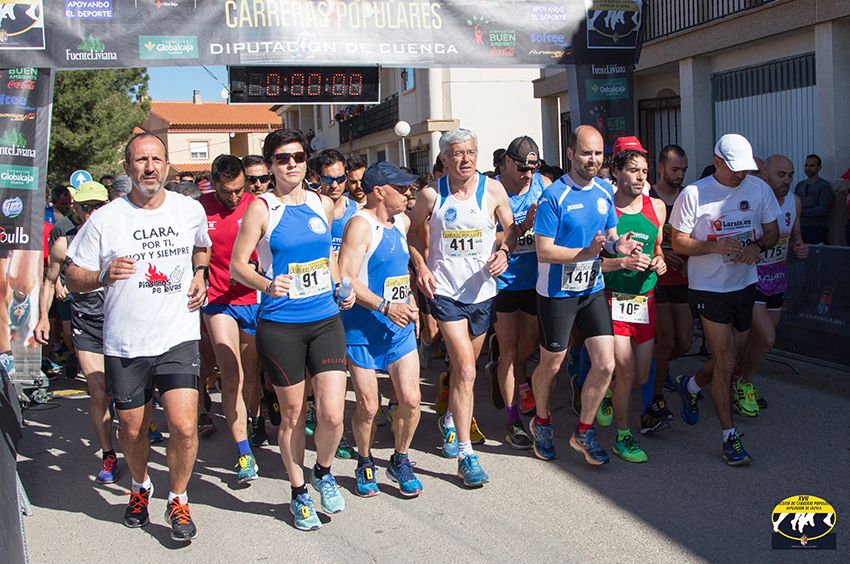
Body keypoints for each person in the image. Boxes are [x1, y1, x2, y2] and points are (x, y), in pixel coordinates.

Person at [65, 133, 211, 541]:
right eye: (141, 160)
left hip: (178, 335)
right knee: (132, 429)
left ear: (167, 165)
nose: (150, 167)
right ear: (128, 168)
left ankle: (178, 499)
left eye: (157, 159)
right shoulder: (105, 219)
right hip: (126, 343)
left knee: (183, 426)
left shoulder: (189, 210)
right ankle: (140, 487)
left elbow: (203, 249)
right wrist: (101, 275)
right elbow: (72, 276)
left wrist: (200, 273)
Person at [230, 129, 355, 531]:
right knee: (294, 414)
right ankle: (299, 491)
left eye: (298, 157)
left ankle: (322, 469)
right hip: (281, 324)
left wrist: (340, 285)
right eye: (282, 158)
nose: (292, 165)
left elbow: (328, 256)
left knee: (333, 415)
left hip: (324, 319)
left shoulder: (324, 204)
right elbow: (238, 266)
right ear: (269, 165)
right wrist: (267, 284)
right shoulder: (262, 208)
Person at [408, 127, 518, 487]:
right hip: (446, 292)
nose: (465, 159)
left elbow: (511, 227)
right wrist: (422, 265)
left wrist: (503, 251)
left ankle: (451, 419)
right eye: (457, 153)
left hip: (482, 293)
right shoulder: (430, 195)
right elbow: (412, 236)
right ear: (444, 159)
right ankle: (466, 455)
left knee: (462, 369)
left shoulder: (493, 189)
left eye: (470, 152)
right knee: (468, 370)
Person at [527, 125, 640, 465]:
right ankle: (542, 422)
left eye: (598, 154)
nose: (593, 160)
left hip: (591, 288)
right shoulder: (553, 196)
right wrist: (585, 253)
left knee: (606, 364)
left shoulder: (605, 191)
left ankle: (584, 431)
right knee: (553, 364)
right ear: (570, 154)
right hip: (557, 293)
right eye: (587, 153)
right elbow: (544, 251)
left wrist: (621, 245)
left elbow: (610, 237)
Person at [670, 133, 780, 466]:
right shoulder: (694, 194)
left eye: (746, 169)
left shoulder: (758, 189)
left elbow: (772, 231)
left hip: (744, 284)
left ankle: (691, 385)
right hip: (709, 289)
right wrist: (713, 246)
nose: (741, 175)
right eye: (735, 169)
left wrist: (755, 248)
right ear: (717, 162)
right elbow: (678, 243)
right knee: (726, 359)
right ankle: (729, 438)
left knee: (735, 356)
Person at [338, 161, 424, 497]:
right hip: (363, 329)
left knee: (412, 399)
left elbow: (398, 273)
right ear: (379, 192)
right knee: (369, 406)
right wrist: (386, 306)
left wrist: (412, 301)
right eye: (400, 188)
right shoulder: (360, 225)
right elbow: (347, 278)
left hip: (398, 328)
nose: (406, 193)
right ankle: (364, 459)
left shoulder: (400, 222)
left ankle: (400, 459)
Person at [34, 181, 115, 482]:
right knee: (98, 392)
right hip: (87, 324)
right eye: (85, 207)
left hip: (122, 324)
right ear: (75, 209)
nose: (92, 212)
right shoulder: (63, 244)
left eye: (98, 205)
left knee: (130, 393)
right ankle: (108, 455)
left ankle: (141, 432)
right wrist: (44, 317)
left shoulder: (120, 237)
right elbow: (48, 279)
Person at [199, 155, 262, 482]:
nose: (233, 198)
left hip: (254, 297)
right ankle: (243, 451)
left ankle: (250, 422)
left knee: (250, 372)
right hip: (218, 299)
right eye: (226, 192)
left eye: (238, 190)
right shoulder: (200, 208)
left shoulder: (256, 204)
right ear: (213, 183)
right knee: (231, 370)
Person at [601, 149, 666, 462]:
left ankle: (608, 392)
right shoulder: (606, 209)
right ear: (617, 173)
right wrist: (622, 261)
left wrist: (659, 262)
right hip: (615, 300)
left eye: (644, 170)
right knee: (626, 370)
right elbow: (591, 262)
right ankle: (623, 436)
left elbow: (658, 249)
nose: (641, 177)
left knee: (640, 376)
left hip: (645, 300)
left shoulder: (657, 207)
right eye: (633, 170)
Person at [487, 136, 549, 449]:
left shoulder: (543, 184)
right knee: (510, 350)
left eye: (532, 169)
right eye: (523, 169)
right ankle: (513, 422)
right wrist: (521, 226)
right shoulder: (491, 189)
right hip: (503, 283)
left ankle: (502, 367)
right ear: (509, 162)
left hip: (535, 281)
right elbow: (484, 233)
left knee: (528, 347)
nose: (528, 175)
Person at [733, 155, 808, 415]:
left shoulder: (794, 202)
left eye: (790, 174)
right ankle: (742, 384)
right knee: (767, 337)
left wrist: (799, 247)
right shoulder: (755, 202)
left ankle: (740, 380)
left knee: (760, 342)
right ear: (766, 174)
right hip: (753, 278)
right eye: (781, 175)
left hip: (778, 280)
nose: (787, 180)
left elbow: (796, 237)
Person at [647, 144, 690, 430]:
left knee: (684, 342)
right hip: (658, 280)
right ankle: (655, 395)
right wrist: (659, 253)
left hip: (686, 279)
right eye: (675, 169)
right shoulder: (647, 198)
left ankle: (654, 369)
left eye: (684, 170)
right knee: (665, 340)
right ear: (661, 168)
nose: (680, 175)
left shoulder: (688, 197)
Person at [793, 154, 832, 244]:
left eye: (812, 166)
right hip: (799, 228)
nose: (808, 168)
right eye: (806, 165)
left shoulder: (824, 186)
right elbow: (793, 204)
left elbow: (823, 209)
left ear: (819, 167)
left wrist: (801, 212)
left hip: (816, 228)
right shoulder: (800, 185)